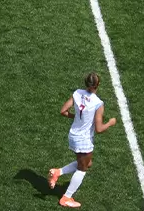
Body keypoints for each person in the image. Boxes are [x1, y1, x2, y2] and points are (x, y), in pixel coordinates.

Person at [48, 72, 117, 209]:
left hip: (73, 134)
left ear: (86, 83)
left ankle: (58, 172)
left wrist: (76, 118)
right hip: (84, 139)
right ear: (98, 85)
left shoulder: (77, 93)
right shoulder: (98, 103)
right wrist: (110, 123)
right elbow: (99, 129)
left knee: (87, 162)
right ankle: (66, 197)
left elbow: (63, 111)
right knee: (82, 169)